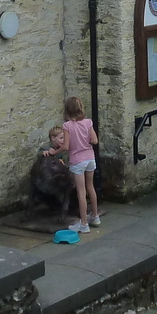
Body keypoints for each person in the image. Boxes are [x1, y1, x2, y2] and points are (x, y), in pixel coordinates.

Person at [62, 96, 99, 232]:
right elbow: (94, 140)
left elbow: (66, 146)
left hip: (77, 161)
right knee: (91, 187)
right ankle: (95, 216)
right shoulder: (88, 122)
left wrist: (55, 151)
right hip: (90, 158)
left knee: (81, 192)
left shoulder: (67, 126)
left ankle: (84, 224)